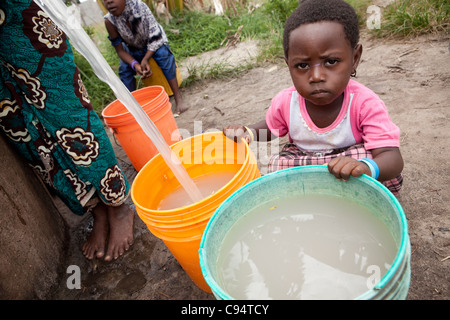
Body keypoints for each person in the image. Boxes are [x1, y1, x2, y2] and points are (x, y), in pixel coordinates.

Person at [223, 0, 404, 196]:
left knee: (368, 159)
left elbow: (392, 158)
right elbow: (271, 128)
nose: (316, 76)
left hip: (349, 175)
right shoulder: (286, 102)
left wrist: (365, 167)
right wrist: (247, 133)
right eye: (302, 66)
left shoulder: (365, 103)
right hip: (305, 164)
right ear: (288, 64)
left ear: (355, 58)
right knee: (273, 165)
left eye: (331, 61)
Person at [0, 0, 134, 261]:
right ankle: (96, 210)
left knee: (68, 114)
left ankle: (117, 206)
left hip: (17, 14)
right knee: (24, 132)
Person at [102, 0, 189, 115]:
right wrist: (135, 64)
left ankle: (178, 98)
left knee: (164, 56)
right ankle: (133, 110)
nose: (109, 2)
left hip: (154, 43)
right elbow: (120, 51)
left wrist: (145, 59)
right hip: (133, 48)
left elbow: (155, 37)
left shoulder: (139, 7)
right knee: (124, 71)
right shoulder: (109, 21)